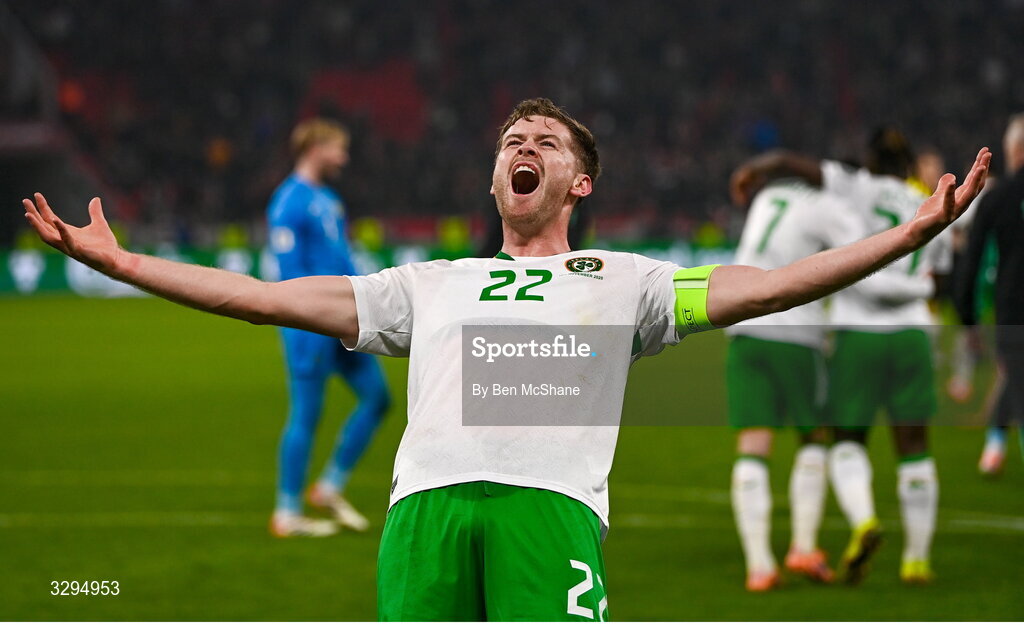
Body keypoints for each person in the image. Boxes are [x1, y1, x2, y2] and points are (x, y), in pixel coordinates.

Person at [23, 98, 989, 620]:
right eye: (511, 140)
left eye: (546, 140)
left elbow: (772, 284)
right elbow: (267, 299)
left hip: (548, 517)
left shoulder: (630, 280)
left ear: (580, 179)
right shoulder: (428, 283)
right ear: (496, 177)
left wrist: (909, 236)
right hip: (423, 518)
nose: (523, 145)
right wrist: (128, 263)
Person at [732, 127, 954, 585]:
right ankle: (914, 559)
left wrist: (758, 167)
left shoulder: (839, 192)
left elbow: (794, 166)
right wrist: (921, 288)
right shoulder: (934, 203)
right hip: (907, 331)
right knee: (909, 446)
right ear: (912, 166)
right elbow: (936, 275)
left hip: (814, 330)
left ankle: (841, 530)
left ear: (864, 165)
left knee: (836, 441)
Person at [725, 180, 855, 591]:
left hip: (744, 326)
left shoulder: (770, 195)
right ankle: (802, 547)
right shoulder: (831, 206)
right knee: (813, 437)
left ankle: (759, 566)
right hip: (796, 332)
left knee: (753, 443)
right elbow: (857, 258)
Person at [264, 119, 390, 537]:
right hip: (309, 325)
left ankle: (330, 485)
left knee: (378, 399)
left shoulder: (330, 200)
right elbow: (289, 271)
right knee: (306, 414)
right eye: (338, 148)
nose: (344, 157)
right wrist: (306, 319)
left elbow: (343, 261)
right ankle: (286, 512)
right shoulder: (288, 202)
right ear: (315, 147)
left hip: (345, 318)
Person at [955, 113, 1024, 476]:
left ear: (1013, 150)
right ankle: (995, 444)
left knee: (1016, 380)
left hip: (1012, 311)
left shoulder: (996, 198)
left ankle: (995, 445)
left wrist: (968, 319)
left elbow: (971, 259)